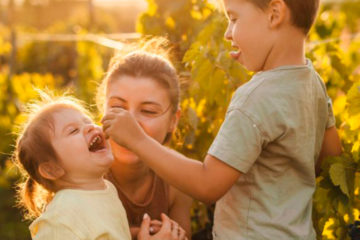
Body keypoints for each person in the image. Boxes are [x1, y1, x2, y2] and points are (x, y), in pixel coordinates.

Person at [101, 0, 343, 239]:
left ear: (274, 13)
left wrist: (138, 140)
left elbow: (207, 186)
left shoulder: (254, 99)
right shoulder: (314, 84)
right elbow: (329, 158)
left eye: (234, 19)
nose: (228, 33)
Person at [14, 92, 187, 240]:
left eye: (87, 121)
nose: (90, 127)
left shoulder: (107, 190)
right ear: (52, 169)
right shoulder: (61, 218)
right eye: (73, 130)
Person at [96, 40, 192, 239]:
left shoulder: (176, 181)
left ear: (173, 121)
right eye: (117, 107)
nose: (128, 123)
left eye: (148, 111)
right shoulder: (81, 168)